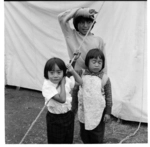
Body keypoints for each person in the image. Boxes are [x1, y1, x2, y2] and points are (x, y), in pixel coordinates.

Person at [58, 7, 107, 114]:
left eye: (88, 22)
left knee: (90, 110)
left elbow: (103, 63)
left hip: (93, 80)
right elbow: (61, 17)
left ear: (93, 23)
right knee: (73, 108)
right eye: (81, 22)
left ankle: (88, 130)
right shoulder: (70, 35)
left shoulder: (98, 40)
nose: (85, 26)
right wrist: (82, 11)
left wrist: (103, 80)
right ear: (76, 23)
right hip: (76, 78)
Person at [42, 57, 82, 144]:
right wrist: (63, 84)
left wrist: (72, 70)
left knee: (68, 140)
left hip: (68, 115)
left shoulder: (65, 79)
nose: (55, 75)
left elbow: (80, 82)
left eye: (59, 72)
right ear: (46, 73)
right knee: (56, 142)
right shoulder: (47, 85)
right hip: (54, 119)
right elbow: (62, 99)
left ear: (63, 72)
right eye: (51, 72)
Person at [77, 48, 112, 143]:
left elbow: (108, 96)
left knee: (97, 135)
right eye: (94, 61)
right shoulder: (81, 74)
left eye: (100, 62)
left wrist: (108, 112)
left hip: (98, 112)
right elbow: (68, 73)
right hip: (84, 110)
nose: (97, 64)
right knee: (84, 134)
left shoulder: (105, 78)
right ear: (87, 62)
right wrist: (74, 59)